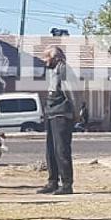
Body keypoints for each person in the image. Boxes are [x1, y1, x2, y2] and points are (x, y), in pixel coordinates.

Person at [37, 46, 79, 196]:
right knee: (51, 150)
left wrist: (75, 113)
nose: (44, 61)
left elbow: (73, 94)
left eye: (46, 57)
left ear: (55, 58)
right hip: (51, 114)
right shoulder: (52, 71)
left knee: (61, 150)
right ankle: (52, 182)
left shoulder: (64, 70)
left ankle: (67, 184)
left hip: (62, 114)